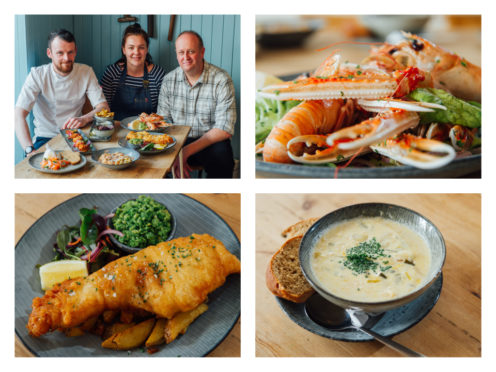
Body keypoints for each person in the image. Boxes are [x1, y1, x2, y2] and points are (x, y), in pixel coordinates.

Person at [15, 29, 108, 157]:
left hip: (75, 135)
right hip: (45, 138)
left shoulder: (86, 72)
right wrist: (28, 149)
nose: (66, 58)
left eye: (70, 52)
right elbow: (18, 115)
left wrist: (84, 119)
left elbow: (103, 108)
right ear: (49, 53)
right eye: (60, 53)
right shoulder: (37, 75)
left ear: (75, 51)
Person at [157, 30, 236, 178]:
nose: (185, 57)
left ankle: (216, 199)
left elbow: (224, 129)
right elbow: (163, 122)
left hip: (209, 141)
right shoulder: (168, 80)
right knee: (159, 161)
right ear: (176, 54)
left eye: (191, 51)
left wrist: (185, 152)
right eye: (181, 52)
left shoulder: (221, 79)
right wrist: (176, 152)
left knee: (223, 159)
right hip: (177, 141)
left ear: (202, 52)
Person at [100, 23, 166, 121]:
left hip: (149, 132)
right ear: (124, 50)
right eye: (131, 47)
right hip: (117, 129)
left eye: (141, 47)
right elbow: (104, 110)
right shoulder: (112, 73)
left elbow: (162, 114)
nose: (136, 52)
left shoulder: (157, 74)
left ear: (147, 49)